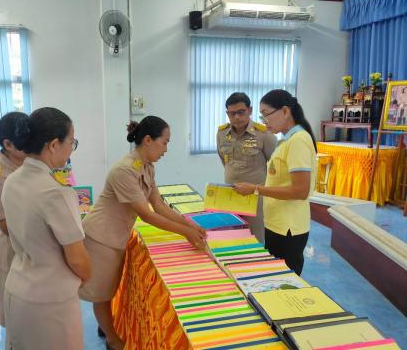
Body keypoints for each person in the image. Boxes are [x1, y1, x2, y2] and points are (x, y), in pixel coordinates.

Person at [79, 115, 207, 350]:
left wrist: (190, 224)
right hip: (100, 237)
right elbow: (147, 215)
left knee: (109, 287)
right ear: (148, 140)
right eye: (165, 142)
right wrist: (185, 233)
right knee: (102, 293)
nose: (166, 149)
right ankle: (112, 338)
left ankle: (107, 324)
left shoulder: (146, 167)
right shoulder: (124, 171)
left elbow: (159, 205)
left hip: (116, 236)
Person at [1, 107, 91, 350]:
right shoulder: (56, 193)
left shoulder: (12, 180)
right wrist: (85, 276)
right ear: (53, 145)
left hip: (18, 289)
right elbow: (78, 259)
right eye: (71, 142)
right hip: (50, 301)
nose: (72, 148)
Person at [233, 90, 317, 276]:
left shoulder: (299, 141)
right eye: (261, 116)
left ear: (285, 111)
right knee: (273, 278)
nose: (264, 121)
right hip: (277, 223)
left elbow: (300, 190)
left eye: (266, 114)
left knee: (284, 281)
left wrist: (255, 188)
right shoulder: (286, 141)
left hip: (289, 227)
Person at [0, 112, 28, 328]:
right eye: (26, 142)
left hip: (33, 248)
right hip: (12, 251)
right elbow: (6, 225)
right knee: (15, 316)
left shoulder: (27, 163)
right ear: (8, 144)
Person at [217, 92, 277, 243]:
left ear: (249, 110)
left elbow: (275, 168)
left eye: (241, 112)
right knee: (232, 236)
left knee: (254, 238)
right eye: (232, 113)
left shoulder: (264, 135)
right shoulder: (222, 133)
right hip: (230, 195)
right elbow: (225, 161)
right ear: (227, 113)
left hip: (255, 198)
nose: (236, 117)